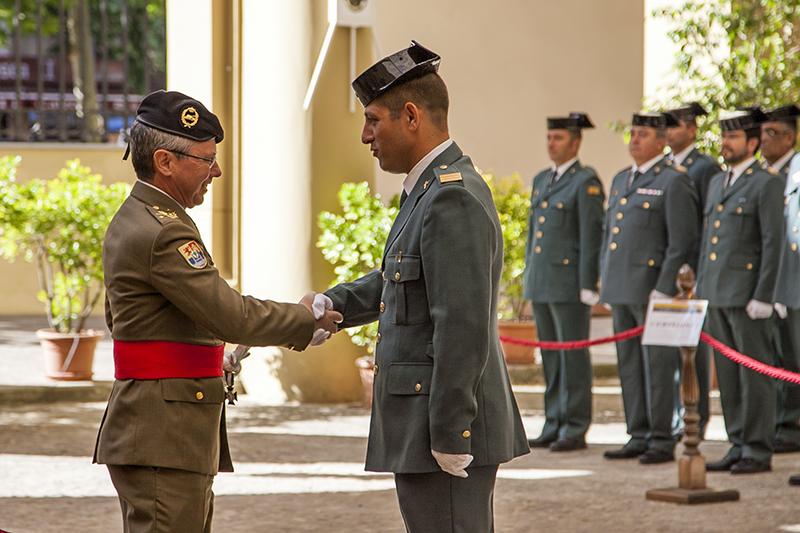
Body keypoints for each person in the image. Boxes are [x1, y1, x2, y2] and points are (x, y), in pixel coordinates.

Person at [93, 90, 342, 532]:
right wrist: (304, 319)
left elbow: (143, 324)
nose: (217, 170)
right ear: (165, 162)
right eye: (206, 159)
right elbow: (232, 316)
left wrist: (209, 355)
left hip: (161, 432)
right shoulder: (163, 231)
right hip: (163, 437)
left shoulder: (143, 217)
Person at [323, 42, 529, 533]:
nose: (365, 135)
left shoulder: (448, 197)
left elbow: (461, 324)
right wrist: (330, 304)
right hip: (425, 418)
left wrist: (451, 430)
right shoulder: (429, 188)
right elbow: (403, 279)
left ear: (411, 116)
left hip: (442, 426)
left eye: (374, 120)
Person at [599, 112, 699, 465]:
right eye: (633, 134)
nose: (635, 140)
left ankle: (661, 436)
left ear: (661, 142)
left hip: (653, 289)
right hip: (622, 288)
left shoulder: (673, 181)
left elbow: (683, 241)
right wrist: (606, 283)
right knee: (629, 365)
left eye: (643, 134)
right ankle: (638, 433)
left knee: (658, 366)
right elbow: (610, 236)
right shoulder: (621, 178)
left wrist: (664, 287)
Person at [698, 107, 784, 474]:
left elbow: (773, 242)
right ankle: (736, 443)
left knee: (755, 376)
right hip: (717, 292)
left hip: (748, 296)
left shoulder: (766, 182)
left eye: (732, 137)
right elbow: (709, 242)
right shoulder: (718, 181)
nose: (725, 143)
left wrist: (764, 295)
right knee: (729, 377)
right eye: (723, 137)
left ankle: (757, 448)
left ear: (752, 142)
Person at [523, 112, 604, 452]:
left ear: (576, 142)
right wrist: (530, 279)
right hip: (543, 282)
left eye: (558, 138)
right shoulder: (543, 179)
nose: (551, 143)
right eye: (549, 138)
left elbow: (591, 234)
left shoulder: (585, 180)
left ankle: (574, 425)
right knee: (551, 358)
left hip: (569, 284)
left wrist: (589, 283)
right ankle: (553, 421)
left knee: (572, 358)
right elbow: (533, 237)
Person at [664, 102, 722, 439]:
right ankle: (679, 414)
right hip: (673, 271)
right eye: (668, 126)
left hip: (694, 272)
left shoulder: (705, 167)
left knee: (693, 349)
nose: (671, 132)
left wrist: (699, 274)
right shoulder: (667, 169)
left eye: (678, 125)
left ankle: (695, 416)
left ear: (693, 130)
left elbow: (705, 225)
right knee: (675, 349)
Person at [766, 104, 800, 456]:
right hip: (771, 284)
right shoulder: (766, 174)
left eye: (772, 133)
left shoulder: (796, 170)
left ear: (790, 137)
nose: (764, 140)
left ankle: (790, 424)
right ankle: (781, 422)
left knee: (792, 359)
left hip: (792, 282)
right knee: (777, 358)